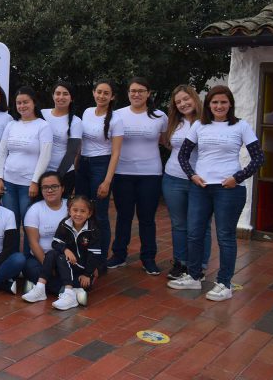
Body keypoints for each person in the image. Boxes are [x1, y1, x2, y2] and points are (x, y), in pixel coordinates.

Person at [168, 85, 265, 302]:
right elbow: (183, 155)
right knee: (194, 233)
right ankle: (194, 276)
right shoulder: (200, 126)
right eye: (214, 102)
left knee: (225, 237)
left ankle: (224, 283)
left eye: (223, 102)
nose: (219, 106)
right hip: (201, 188)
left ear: (230, 104)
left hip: (229, 190)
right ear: (208, 105)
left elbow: (259, 157)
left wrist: (237, 177)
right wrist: (192, 175)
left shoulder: (241, 126)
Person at [107, 77, 167, 275]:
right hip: (122, 173)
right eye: (133, 90)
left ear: (148, 93)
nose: (137, 94)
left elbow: (166, 141)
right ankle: (119, 255)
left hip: (150, 174)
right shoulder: (117, 115)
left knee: (147, 218)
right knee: (123, 216)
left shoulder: (160, 116)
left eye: (141, 91)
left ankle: (148, 258)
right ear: (128, 93)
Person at [0, 86, 53, 253]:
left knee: (29, 224)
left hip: (29, 185)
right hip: (8, 183)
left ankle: (28, 258)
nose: (22, 106)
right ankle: (12, 257)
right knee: (11, 224)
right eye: (19, 103)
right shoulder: (11, 125)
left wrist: (35, 182)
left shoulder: (43, 126)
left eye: (25, 102)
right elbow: (2, 152)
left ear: (34, 103)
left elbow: (45, 157)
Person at [162, 85, 211, 280]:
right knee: (179, 224)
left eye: (186, 99)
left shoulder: (208, 122)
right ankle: (180, 263)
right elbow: (167, 143)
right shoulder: (174, 122)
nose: (183, 104)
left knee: (202, 225)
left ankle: (200, 266)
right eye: (178, 102)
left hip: (201, 180)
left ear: (195, 98)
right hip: (173, 178)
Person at [75, 80, 124, 260]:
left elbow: (116, 152)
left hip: (101, 165)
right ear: (93, 92)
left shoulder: (116, 119)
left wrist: (107, 181)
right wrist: (76, 163)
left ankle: (100, 258)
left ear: (112, 97)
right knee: (80, 209)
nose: (101, 96)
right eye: (99, 92)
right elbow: (81, 142)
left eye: (106, 93)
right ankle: (83, 253)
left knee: (99, 214)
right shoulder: (87, 112)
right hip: (83, 164)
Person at [19, 171, 69, 302]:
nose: (50, 190)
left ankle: (39, 286)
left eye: (54, 186)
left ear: (62, 188)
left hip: (66, 257)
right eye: (45, 187)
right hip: (40, 258)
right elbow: (33, 243)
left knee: (72, 270)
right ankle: (68, 290)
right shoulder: (34, 210)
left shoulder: (70, 207)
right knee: (30, 268)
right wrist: (49, 267)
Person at [50, 196, 103, 310]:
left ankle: (70, 292)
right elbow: (55, 243)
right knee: (57, 257)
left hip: (83, 270)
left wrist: (87, 274)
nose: (78, 214)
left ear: (89, 214)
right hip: (68, 267)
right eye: (75, 210)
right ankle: (74, 293)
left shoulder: (93, 229)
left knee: (84, 284)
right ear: (69, 211)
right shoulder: (64, 224)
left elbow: (94, 255)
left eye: (83, 211)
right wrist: (66, 250)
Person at [42, 82, 82, 197]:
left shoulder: (76, 121)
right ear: (53, 96)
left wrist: (57, 178)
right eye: (58, 93)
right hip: (40, 172)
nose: (61, 97)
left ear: (71, 98)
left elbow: (71, 153)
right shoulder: (42, 114)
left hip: (64, 174)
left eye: (65, 94)